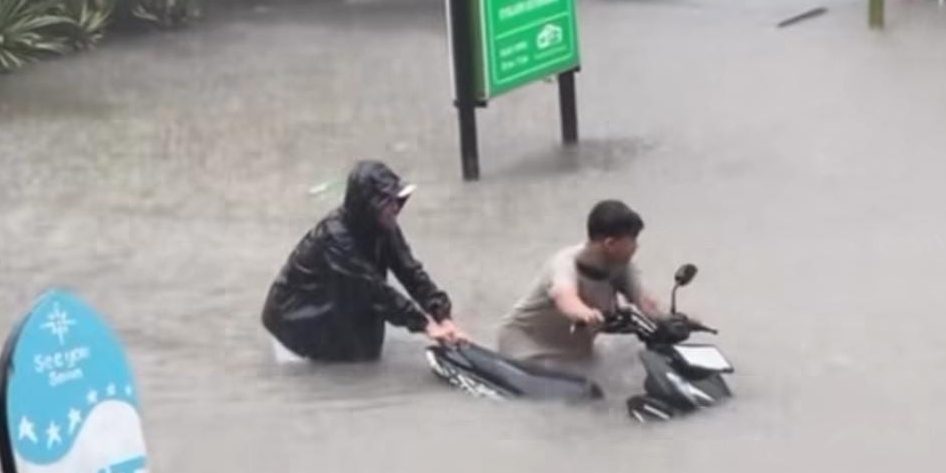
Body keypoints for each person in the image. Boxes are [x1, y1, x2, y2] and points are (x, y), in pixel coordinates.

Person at [262, 160, 468, 363]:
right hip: (295, 322)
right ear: (368, 206)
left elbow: (410, 271)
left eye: (397, 200)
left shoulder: (384, 226)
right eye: (388, 202)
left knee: (365, 352)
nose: (395, 208)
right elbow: (372, 288)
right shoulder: (334, 238)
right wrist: (426, 326)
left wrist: (443, 316)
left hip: (338, 309)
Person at [496, 199, 662, 368]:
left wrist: (673, 321)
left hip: (574, 352)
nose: (637, 246)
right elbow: (565, 296)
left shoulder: (622, 266)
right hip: (527, 349)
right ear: (610, 244)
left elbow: (644, 303)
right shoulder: (564, 263)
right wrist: (585, 314)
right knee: (590, 391)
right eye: (632, 240)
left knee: (631, 357)